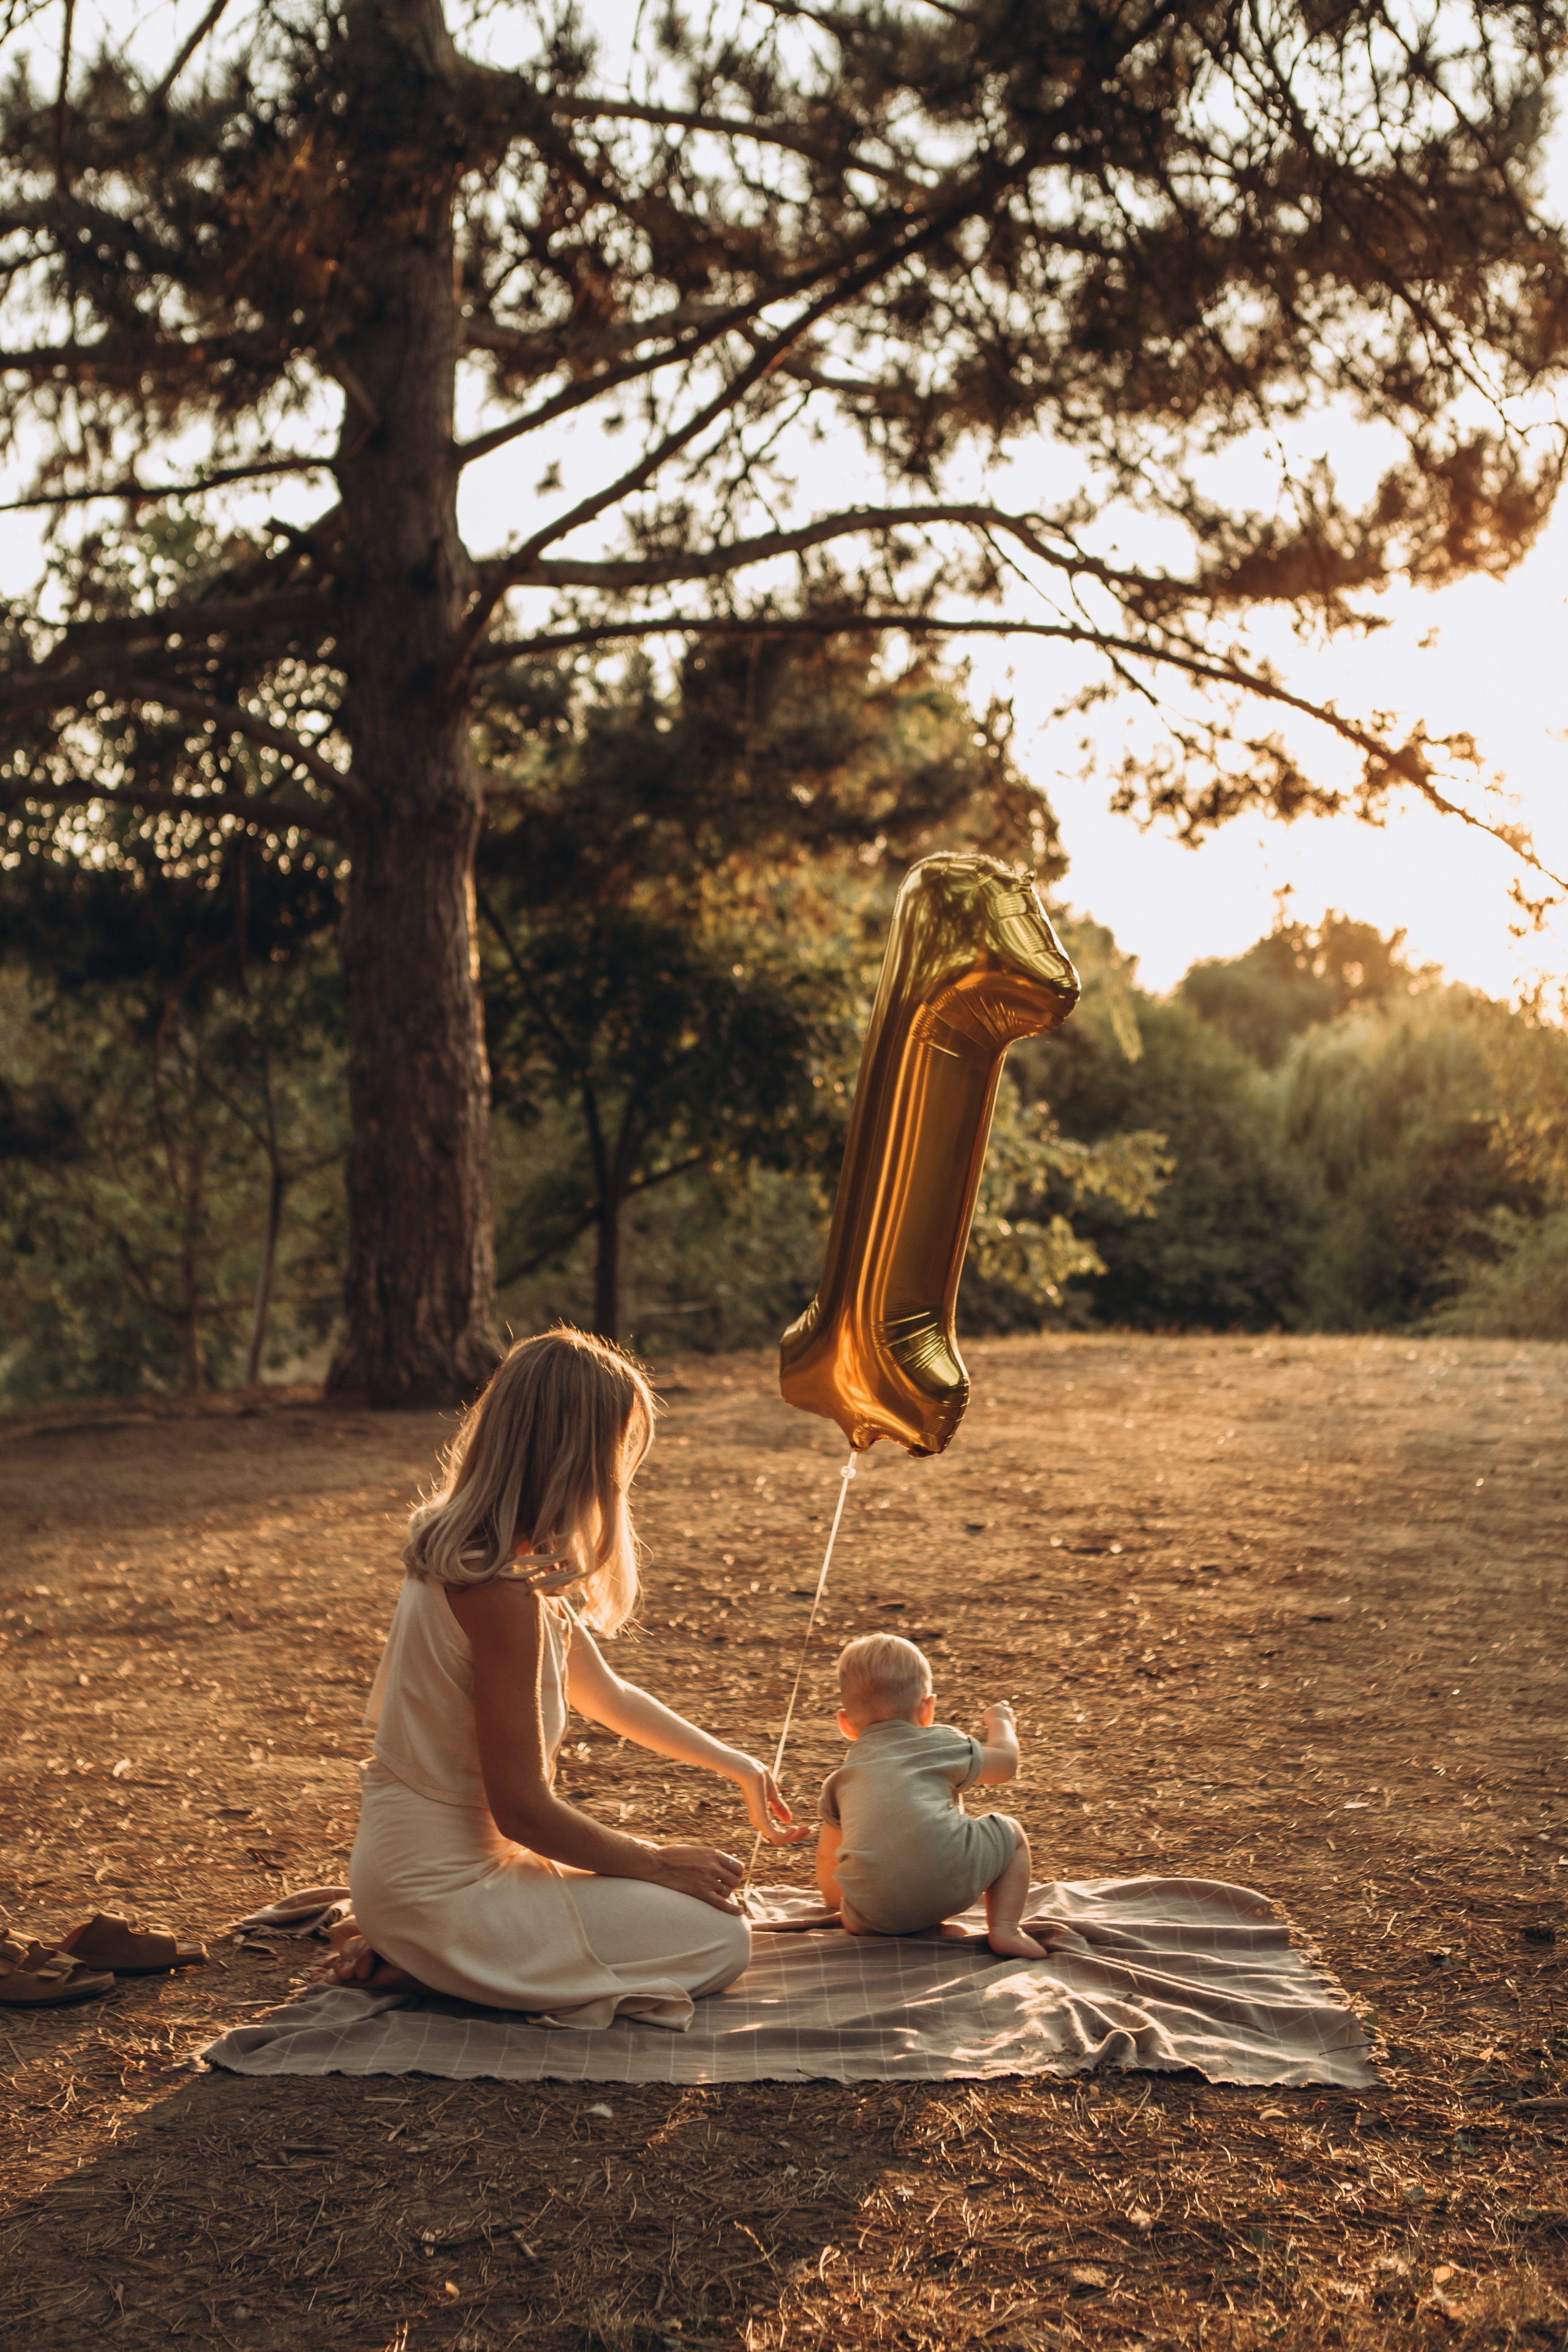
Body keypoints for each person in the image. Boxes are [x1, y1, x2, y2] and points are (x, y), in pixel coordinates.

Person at [319, 1328, 808, 2029]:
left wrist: (740, 1768)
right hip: (442, 1889)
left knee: (696, 1918)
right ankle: (426, 1959)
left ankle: (418, 1953)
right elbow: (522, 1810)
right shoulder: (497, 1594)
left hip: (415, 1874)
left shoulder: (485, 1558)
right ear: (575, 1460)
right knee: (721, 1944)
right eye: (616, 1458)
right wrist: (659, 1864)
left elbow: (607, 1695)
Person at [814, 1633, 1047, 1959]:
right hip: (949, 1889)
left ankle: (918, 1925)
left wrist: (846, 1909)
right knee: (1011, 1832)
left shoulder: (840, 1780)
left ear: (845, 1725)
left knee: (895, 1869)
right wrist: (1001, 1722)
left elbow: (828, 1858)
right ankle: (1006, 1929)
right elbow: (1006, 1765)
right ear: (927, 1710)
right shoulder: (943, 1743)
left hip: (868, 1918)